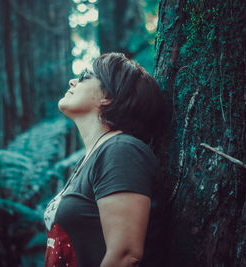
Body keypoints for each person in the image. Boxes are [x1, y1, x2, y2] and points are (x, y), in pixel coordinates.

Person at [44, 52, 166, 267]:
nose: (72, 81)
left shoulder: (121, 151)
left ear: (107, 95)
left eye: (84, 76)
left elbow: (125, 255)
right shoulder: (94, 157)